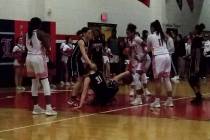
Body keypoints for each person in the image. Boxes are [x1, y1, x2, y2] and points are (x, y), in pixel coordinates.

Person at [25, 17, 57, 115]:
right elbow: (48, 47)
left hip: (29, 57)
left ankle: (36, 107)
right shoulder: (39, 32)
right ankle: (48, 108)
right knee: (45, 81)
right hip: (38, 58)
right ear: (39, 24)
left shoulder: (27, 34)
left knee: (34, 82)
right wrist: (48, 47)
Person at [147, 20, 173, 108]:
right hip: (167, 56)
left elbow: (148, 49)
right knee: (167, 79)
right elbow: (170, 40)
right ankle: (170, 100)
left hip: (158, 57)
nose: (150, 29)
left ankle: (157, 101)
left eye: (150, 27)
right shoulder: (163, 34)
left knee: (157, 80)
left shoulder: (150, 36)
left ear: (153, 28)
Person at [68, 27, 95, 105]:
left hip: (79, 60)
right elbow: (84, 54)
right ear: (84, 33)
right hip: (74, 60)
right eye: (89, 33)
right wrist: (90, 63)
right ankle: (71, 99)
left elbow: (85, 55)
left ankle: (76, 95)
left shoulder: (88, 42)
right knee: (79, 80)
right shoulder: (81, 41)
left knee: (83, 78)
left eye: (91, 33)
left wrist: (87, 63)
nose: (91, 34)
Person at [126, 23, 151, 106]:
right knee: (136, 79)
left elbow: (146, 47)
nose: (127, 34)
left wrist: (143, 56)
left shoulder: (137, 39)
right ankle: (139, 97)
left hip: (143, 60)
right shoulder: (129, 40)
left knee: (137, 77)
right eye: (127, 33)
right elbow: (131, 52)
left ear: (133, 32)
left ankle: (139, 98)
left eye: (129, 33)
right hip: (137, 61)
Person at [188, 24, 205, 105]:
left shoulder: (197, 39)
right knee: (196, 80)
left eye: (194, 29)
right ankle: (199, 95)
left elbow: (197, 52)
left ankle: (198, 96)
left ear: (196, 30)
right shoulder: (201, 38)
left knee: (191, 80)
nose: (193, 30)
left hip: (195, 62)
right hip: (200, 62)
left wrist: (197, 65)